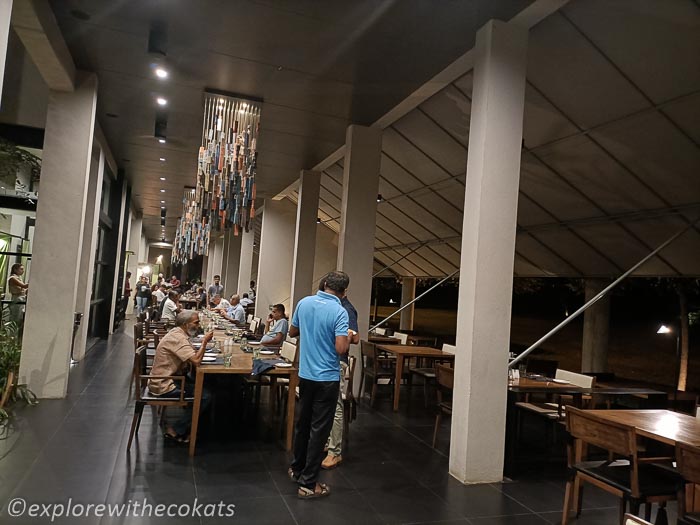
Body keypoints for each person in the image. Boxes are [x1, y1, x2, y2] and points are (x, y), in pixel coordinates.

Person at [288, 271, 350, 499]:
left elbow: (293, 331)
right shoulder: (339, 311)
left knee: (303, 424)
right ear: (344, 292)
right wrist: (349, 337)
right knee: (319, 430)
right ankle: (308, 483)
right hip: (327, 379)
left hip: (305, 375)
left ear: (324, 285)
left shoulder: (303, 303)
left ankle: (296, 468)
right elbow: (341, 349)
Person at [148, 310, 213, 443]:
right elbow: (195, 360)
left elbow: (190, 353)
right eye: (196, 322)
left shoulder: (177, 333)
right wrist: (205, 342)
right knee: (205, 395)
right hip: (164, 385)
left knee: (204, 387)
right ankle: (177, 429)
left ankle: (195, 427)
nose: (198, 325)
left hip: (169, 378)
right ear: (186, 324)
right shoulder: (177, 338)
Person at [322, 284, 359, 470]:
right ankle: (329, 441)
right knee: (328, 405)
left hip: (338, 362)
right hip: (329, 361)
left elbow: (355, 337)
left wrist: (347, 336)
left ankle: (335, 452)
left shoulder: (347, 309)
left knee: (335, 407)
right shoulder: (334, 307)